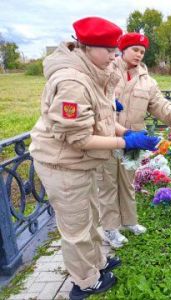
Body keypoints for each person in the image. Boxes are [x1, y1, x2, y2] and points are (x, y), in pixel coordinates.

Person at [29, 17, 160, 300]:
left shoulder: (95, 72)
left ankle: (97, 263)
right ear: (87, 47)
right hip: (62, 163)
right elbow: (78, 138)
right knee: (76, 227)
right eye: (109, 50)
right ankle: (85, 281)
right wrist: (125, 141)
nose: (115, 55)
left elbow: (103, 118)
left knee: (90, 217)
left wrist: (124, 130)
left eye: (116, 49)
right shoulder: (72, 82)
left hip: (79, 162)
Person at [97, 32, 171, 248]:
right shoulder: (105, 71)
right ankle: (110, 229)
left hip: (134, 140)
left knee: (127, 182)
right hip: (107, 136)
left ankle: (129, 222)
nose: (139, 54)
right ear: (123, 49)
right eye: (135, 49)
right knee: (107, 184)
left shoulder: (147, 82)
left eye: (142, 52)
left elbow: (162, 108)